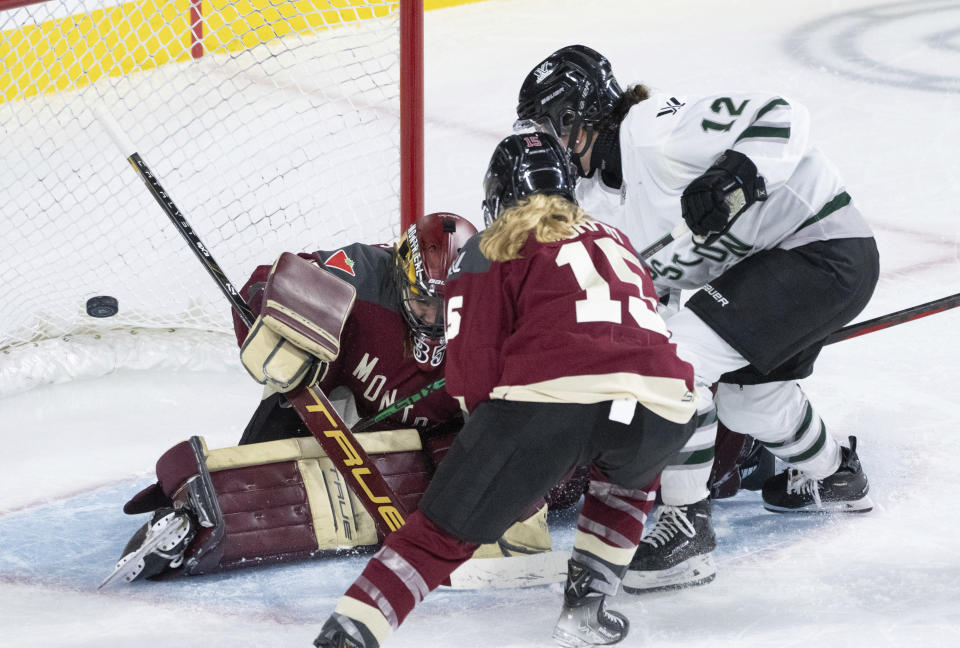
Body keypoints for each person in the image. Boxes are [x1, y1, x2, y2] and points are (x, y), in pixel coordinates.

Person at [514, 45, 879, 592]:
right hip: (766, 272)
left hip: (822, 247)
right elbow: (648, 300)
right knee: (751, 403)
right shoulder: (598, 203)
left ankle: (687, 529)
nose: (550, 146)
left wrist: (735, 175)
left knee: (675, 364)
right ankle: (839, 475)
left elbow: (781, 114)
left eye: (552, 128)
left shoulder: (653, 131)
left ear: (580, 118)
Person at [312, 133, 697, 648]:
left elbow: (471, 374)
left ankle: (350, 634)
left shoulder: (493, 243)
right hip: (665, 405)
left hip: (553, 404)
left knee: (439, 533)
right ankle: (587, 612)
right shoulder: (614, 236)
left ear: (498, 194)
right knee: (628, 484)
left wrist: (495, 469)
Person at [107, 212, 586, 583]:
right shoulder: (362, 272)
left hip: (449, 438)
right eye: (424, 303)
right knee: (282, 414)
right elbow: (270, 282)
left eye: (449, 309)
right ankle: (193, 515)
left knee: (564, 471)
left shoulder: (499, 317)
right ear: (400, 280)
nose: (437, 323)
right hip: (349, 415)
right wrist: (276, 322)